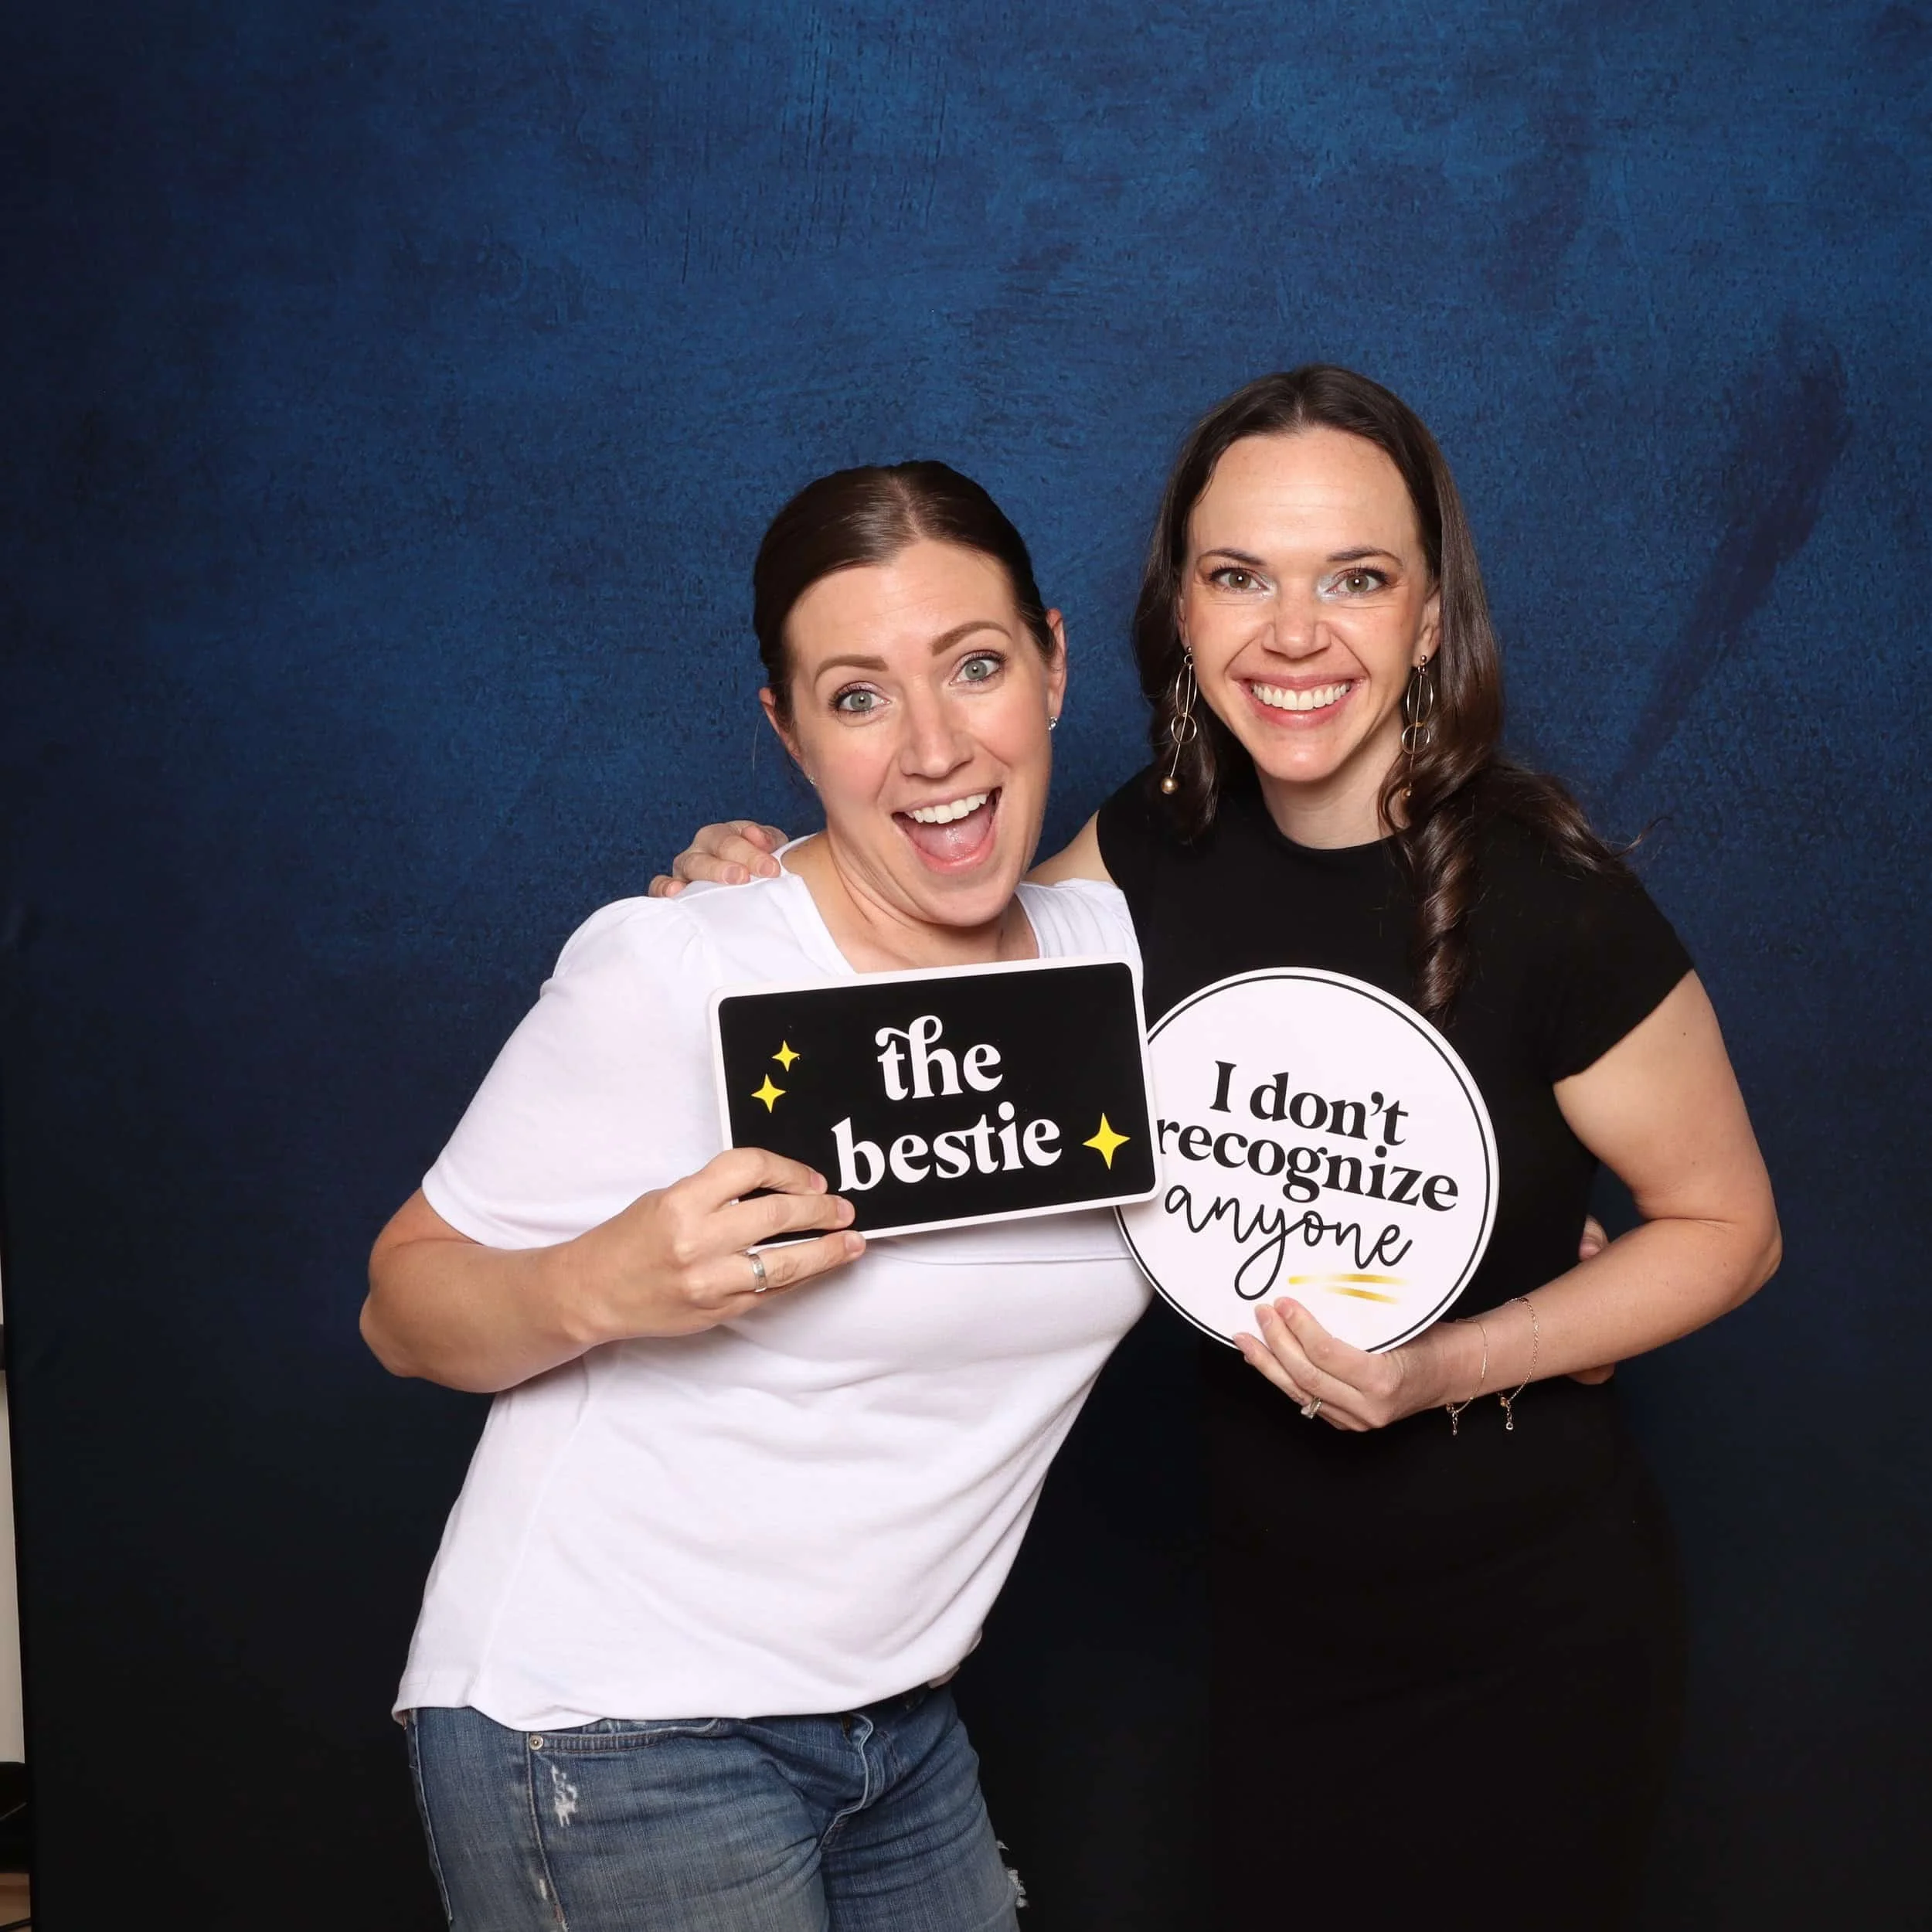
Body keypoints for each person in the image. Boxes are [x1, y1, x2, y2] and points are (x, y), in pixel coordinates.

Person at [655, 366, 1781, 1929]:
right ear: (1176, 612)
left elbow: (1727, 1225)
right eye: (1239, 576)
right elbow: (936, 984)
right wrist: (764, 874)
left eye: (1356, 578)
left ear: (1430, 616)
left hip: (1529, 1644)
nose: (1295, 633)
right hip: (1273, 1631)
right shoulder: (1138, 851)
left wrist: (1462, 1356)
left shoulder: (1550, 898)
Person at [360, 461, 1157, 1932]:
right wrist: (595, 1286)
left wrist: (1496, 1249)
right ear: (789, 733)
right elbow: (400, 1306)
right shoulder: (680, 966)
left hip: (897, 1724)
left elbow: (1311, 1141)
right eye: (859, 697)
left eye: (974, 667)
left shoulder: (1117, 963)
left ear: (1052, 664)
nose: (932, 746)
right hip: (606, 1728)